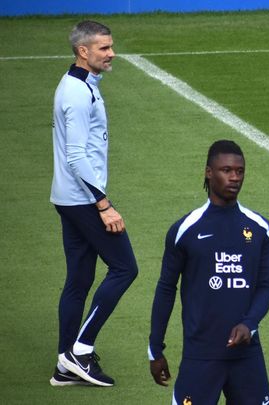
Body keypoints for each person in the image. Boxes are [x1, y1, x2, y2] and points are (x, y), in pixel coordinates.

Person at [149, 140, 269, 405]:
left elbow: (265, 287)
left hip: (247, 356)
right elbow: (165, 289)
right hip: (201, 357)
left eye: (240, 171)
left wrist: (249, 324)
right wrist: (155, 348)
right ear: (209, 172)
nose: (234, 177)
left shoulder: (260, 228)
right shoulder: (185, 230)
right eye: (226, 170)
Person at [50, 20, 138, 387]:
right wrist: (103, 203)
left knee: (79, 279)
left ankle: (63, 366)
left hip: (69, 198)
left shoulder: (82, 85)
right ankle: (79, 351)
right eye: (103, 48)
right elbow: (76, 157)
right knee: (124, 268)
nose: (111, 53)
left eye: (111, 46)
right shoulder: (76, 93)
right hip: (83, 200)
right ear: (83, 51)